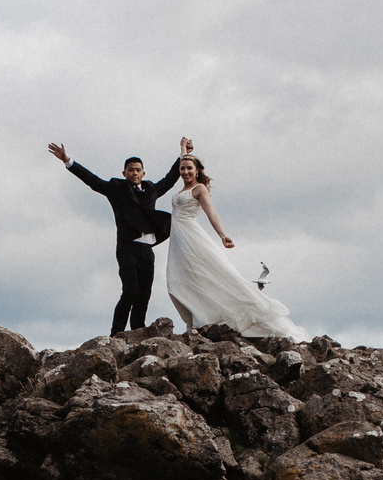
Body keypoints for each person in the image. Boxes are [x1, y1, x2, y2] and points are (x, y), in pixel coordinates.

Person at [48, 138, 186, 335]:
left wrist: (183, 154)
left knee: (144, 294)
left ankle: (137, 329)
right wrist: (68, 161)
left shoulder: (151, 189)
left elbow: (171, 177)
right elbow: (93, 181)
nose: (135, 173)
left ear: (143, 172)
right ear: (125, 173)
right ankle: (116, 333)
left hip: (146, 250)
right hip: (127, 248)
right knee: (130, 291)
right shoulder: (116, 188)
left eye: (138, 169)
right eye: (131, 170)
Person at [165, 152, 301, 340]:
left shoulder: (200, 189)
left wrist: (222, 235)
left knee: (203, 274)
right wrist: (182, 149)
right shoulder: (180, 191)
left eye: (190, 168)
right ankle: (197, 318)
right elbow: (182, 162)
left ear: (197, 171)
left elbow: (211, 213)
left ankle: (206, 321)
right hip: (177, 240)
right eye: (183, 168)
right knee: (179, 279)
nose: (186, 171)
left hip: (191, 236)